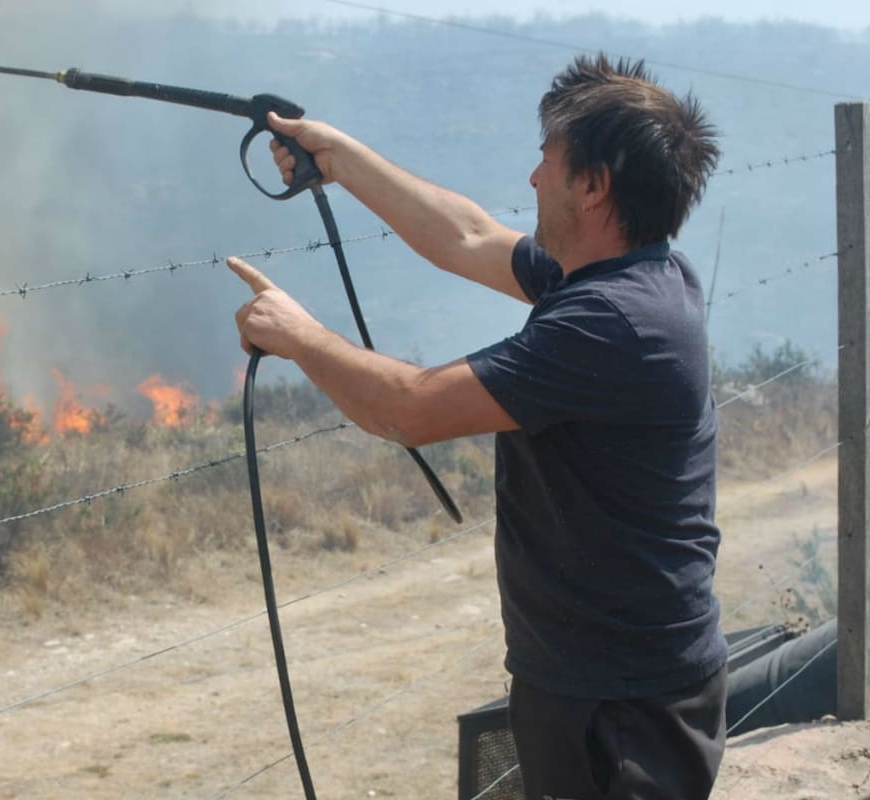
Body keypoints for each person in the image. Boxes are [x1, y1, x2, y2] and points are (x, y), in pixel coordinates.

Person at [228, 54, 727, 799]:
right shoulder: (632, 274)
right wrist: (339, 157)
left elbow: (409, 408)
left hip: (619, 700)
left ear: (593, 188)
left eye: (547, 162)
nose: (532, 180)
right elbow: (465, 234)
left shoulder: (610, 322)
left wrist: (297, 334)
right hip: (605, 674)